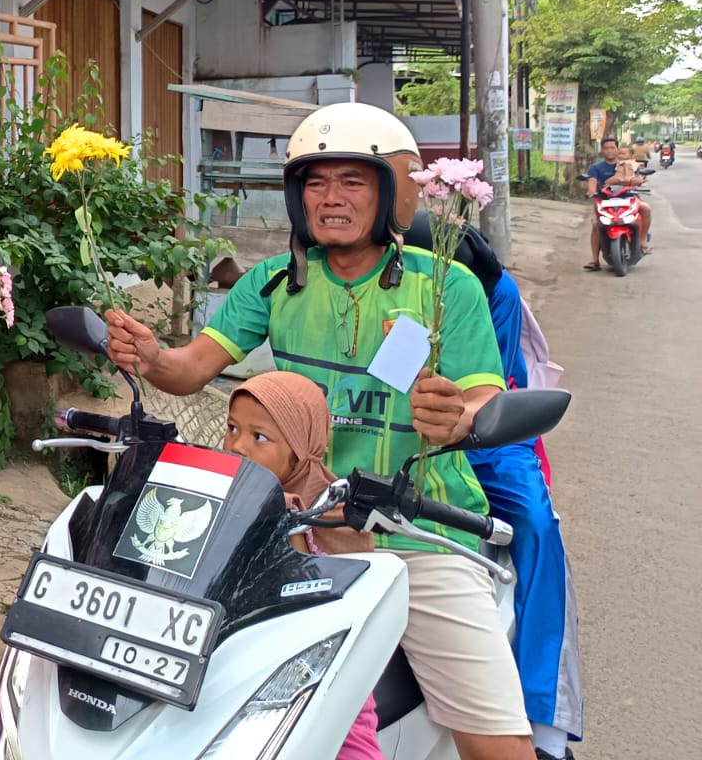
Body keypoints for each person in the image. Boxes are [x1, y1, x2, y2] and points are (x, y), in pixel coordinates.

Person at [106, 102, 534, 760]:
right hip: (292, 524)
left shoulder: (447, 287)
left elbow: (482, 397)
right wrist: (151, 355)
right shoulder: (273, 283)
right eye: (315, 182)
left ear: (394, 193)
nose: (330, 198)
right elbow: (190, 369)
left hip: (417, 532)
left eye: (352, 181)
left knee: (496, 744)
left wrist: (459, 416)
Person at [401, 215, 583, 760]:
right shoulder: (394, 284)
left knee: (536, 525)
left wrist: (456, 418)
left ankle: (545, 718)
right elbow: (383, 378)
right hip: (405, 431)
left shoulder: (490, 290)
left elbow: (491, 387)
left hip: (488, 435)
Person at [225, 371, 382, 760]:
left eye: (259, 437)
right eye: (232, 428)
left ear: (299, 449)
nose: (237, 446)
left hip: (319, 665)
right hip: (238, 656)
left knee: (351, 742)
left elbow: (296, 568)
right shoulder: (224, 493)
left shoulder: (323, 513)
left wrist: (277, 509)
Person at [584, 136, 651, 269]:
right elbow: (592, 182)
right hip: (605, 201)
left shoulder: (628, 165)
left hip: (627, 199)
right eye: (606, 148)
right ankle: (595, 260)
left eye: (612, 148)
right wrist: (591, 192)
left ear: (617, 149)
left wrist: (638, 181)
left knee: (646, 208)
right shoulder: (596, 167)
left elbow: (638, 179)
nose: (609, 151)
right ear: (602, 150)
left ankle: (642, 241)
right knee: (596, 225)